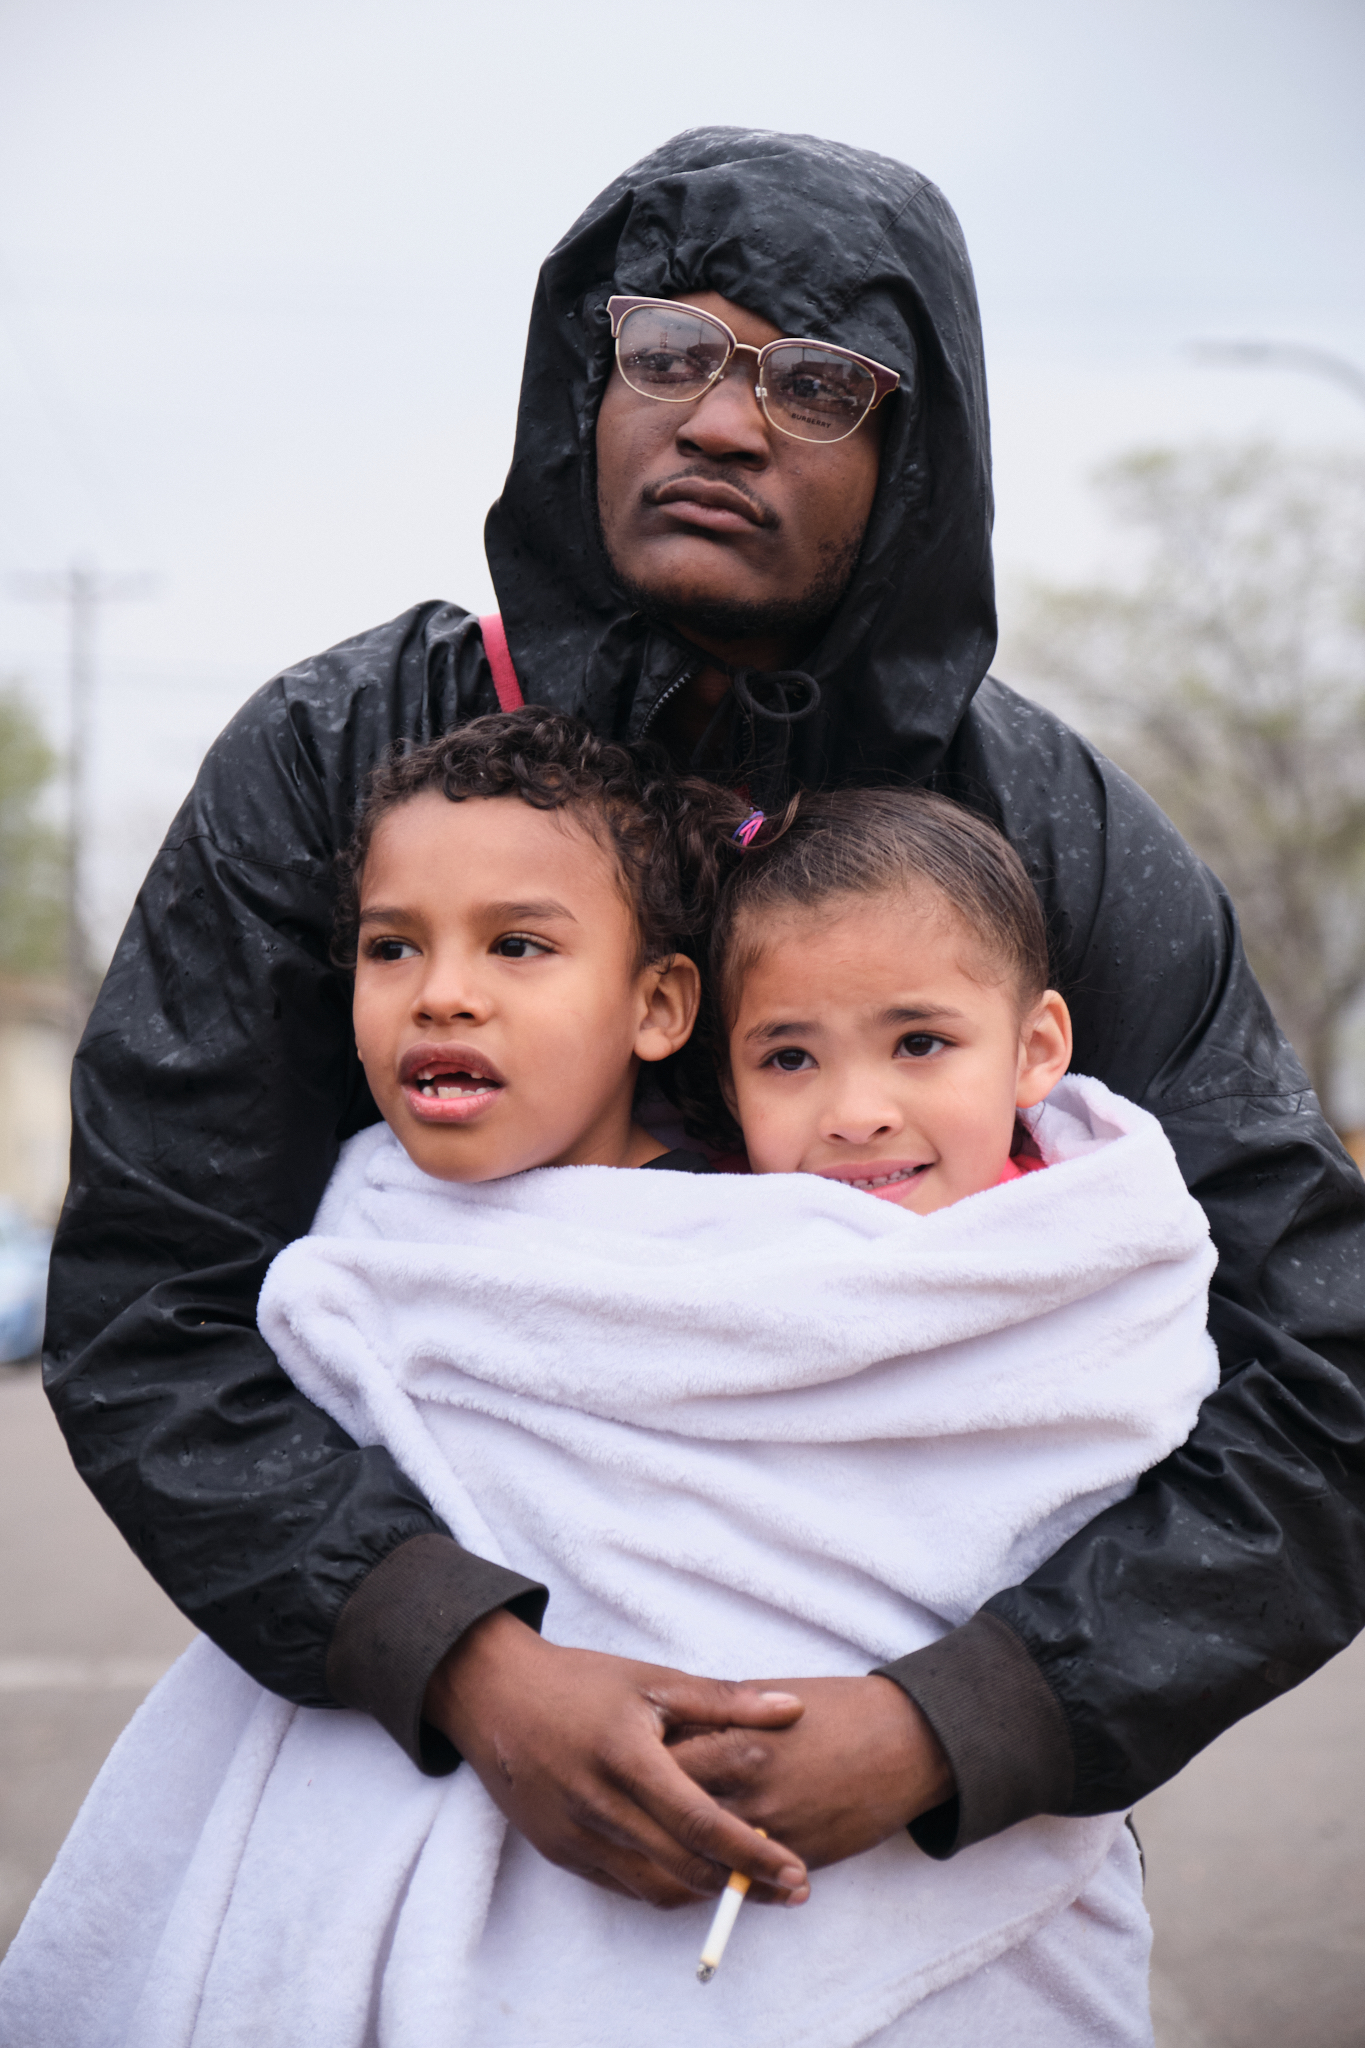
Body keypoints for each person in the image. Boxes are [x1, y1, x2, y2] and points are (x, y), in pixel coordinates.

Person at [43, 128, 1365, 1898]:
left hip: (916, 1854)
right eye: (667, 352)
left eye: (814, 383)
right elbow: (154, 1295)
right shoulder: (347, 758)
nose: (722, 419)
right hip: (404, 1801)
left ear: (912, 458)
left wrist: (956, 1719)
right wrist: (464, 1659)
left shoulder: (1037, 826)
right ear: (587, 391)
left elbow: (1323, 1359)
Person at [7, 725, 1215, 2046]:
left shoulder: (838, 1238)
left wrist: (953, 1723)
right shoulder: (362, 1233)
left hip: (861, 1836)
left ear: (659, 1007)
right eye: (389, 946)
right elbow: (205, 1419)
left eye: (515, 946)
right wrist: (459, 1657)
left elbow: (1038, 1441)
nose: (442, 993)